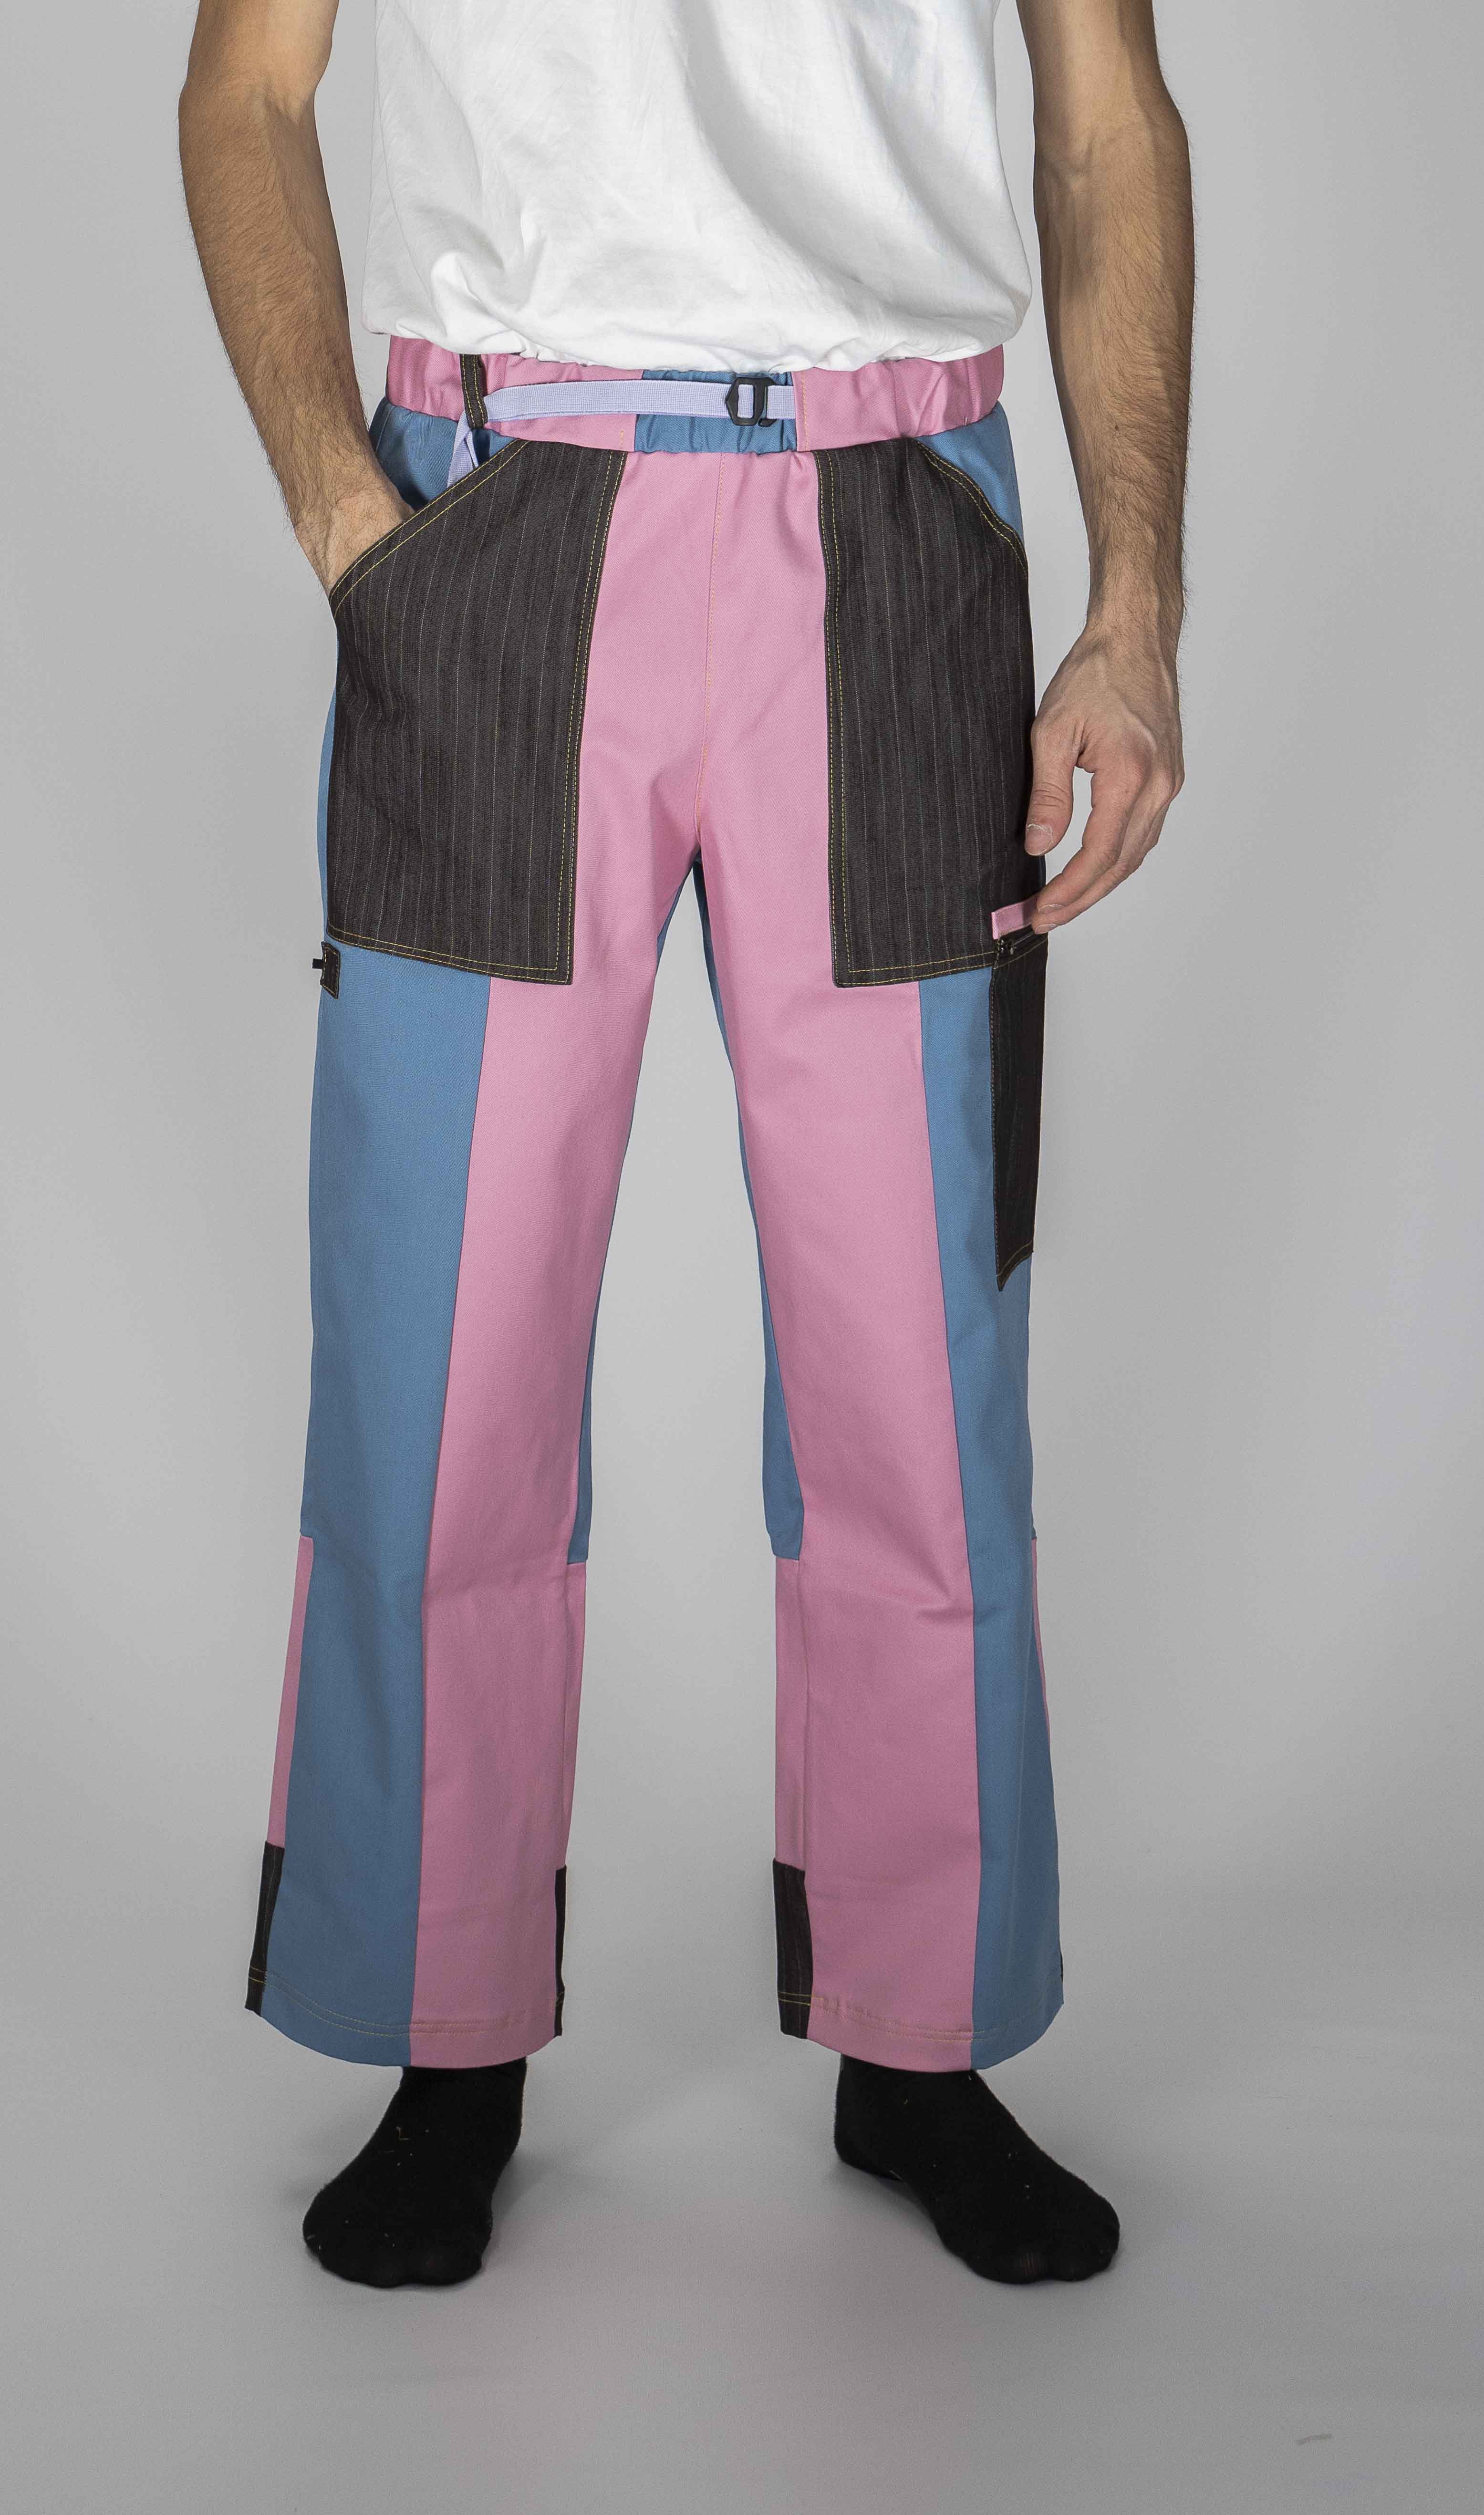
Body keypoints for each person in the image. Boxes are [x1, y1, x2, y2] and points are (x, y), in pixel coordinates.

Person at [179, 0, 1190, 2290]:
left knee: (917, 1363)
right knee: (443, 1359)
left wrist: (1133, 601)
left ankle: (919, 2037)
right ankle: (441, 2031)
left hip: (898, 525)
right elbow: (244, 86)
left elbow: (1106, 110)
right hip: (501, 517)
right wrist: (351, 522)